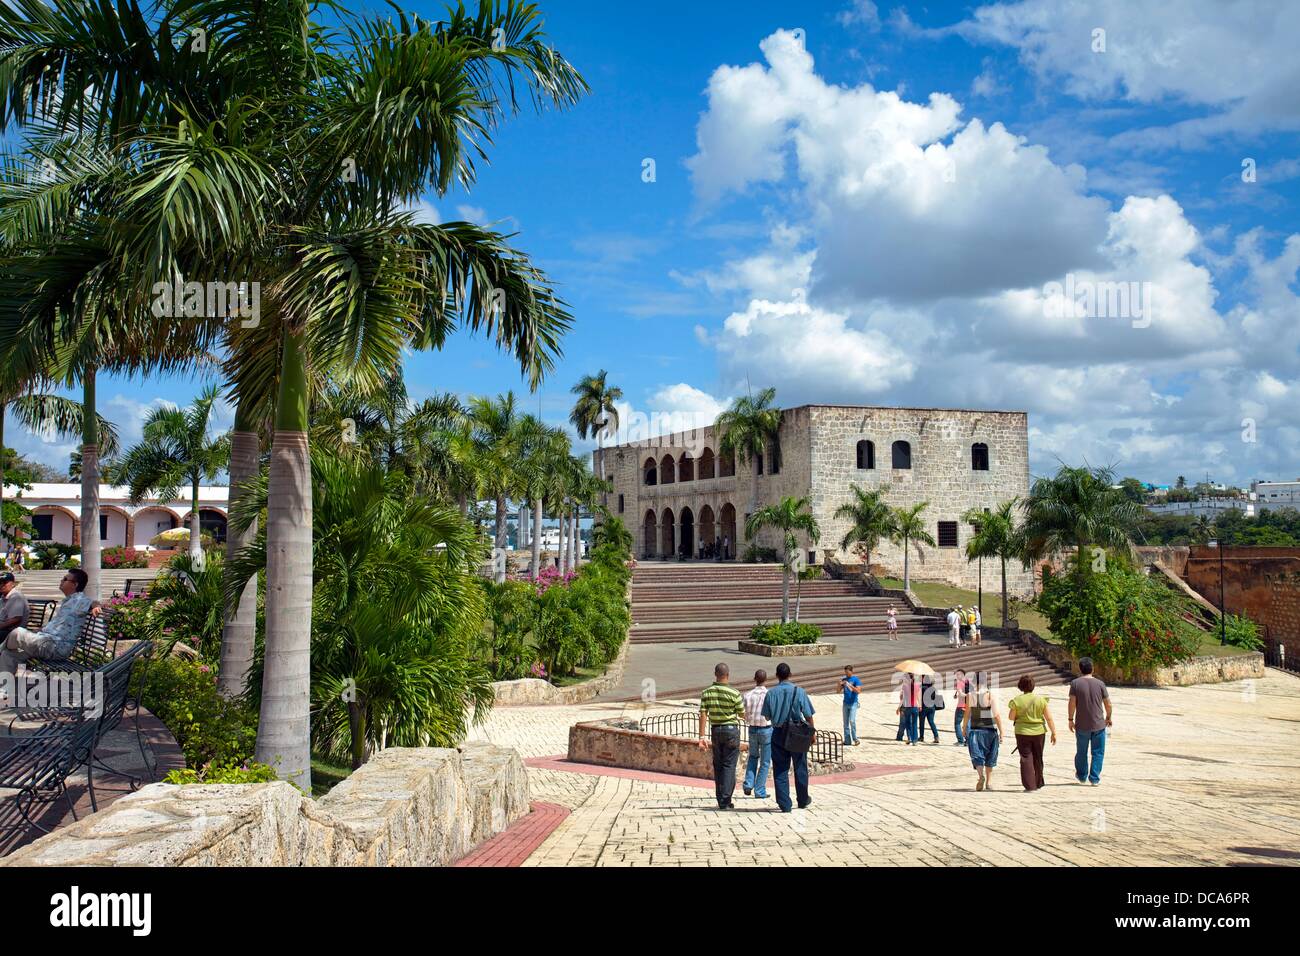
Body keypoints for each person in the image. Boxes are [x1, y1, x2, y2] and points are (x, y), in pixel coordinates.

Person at [0, 568, 103, 692]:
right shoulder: (68, 601)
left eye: (65, 579)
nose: (61, 580)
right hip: (45, 642)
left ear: (74, 585)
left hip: (56, 647)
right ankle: (3, 689)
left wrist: (96, 606)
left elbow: (93, 602)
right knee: (9, 654)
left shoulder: (79, 600)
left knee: (17, 633)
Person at [761, 662, 815, 813]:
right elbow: (809, 715)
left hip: (778, 732)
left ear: (777, 676)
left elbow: (766, 716)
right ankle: (803, 799)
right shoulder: (799, 691)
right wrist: (812, 733)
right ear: (790, 675)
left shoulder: (771, 693)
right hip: (797, 733)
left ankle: (785, 804)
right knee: (800, 766)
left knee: (780, 768)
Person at [698, 662, 745, 809]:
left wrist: (701, 737)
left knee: (718, 764)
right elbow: (742, 714)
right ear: (728, 675)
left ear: (715, 675)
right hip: (731, 730)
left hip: (716, 730)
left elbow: (703, 714)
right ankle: (725, 799)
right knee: (729, 765)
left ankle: (720, 798)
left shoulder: (706, 693)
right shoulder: (735, 693)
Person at [1008, 674, 1057, 791]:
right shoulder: (1041, 700)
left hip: (1022, 732)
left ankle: (1030, 785)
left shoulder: (1016, 700)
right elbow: (1049, 718)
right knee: (1038, 757)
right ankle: (1038, 781)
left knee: (1026, 758)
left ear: (1020, 686)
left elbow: (1011, 717)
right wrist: (1053, 732)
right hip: (1039, 732)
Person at [1068, 657, 1112, 786]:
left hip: (1081, 724)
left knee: (1081, 751)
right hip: (1098, 724)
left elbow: (1072, 703)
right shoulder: (1100, 684)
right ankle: (1094, 778)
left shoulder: (1075, 683)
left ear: (1080, 669)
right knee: (1098, 752)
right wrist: (1108, 717)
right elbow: (1108, 704)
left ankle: (1082, 776)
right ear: (1092, 668)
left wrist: (1070, 719)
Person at [962, 671, 1004, 791]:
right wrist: (1002, 732)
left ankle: (981, 776)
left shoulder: (971, 695)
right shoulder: (990, 695)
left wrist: (964, 728)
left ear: (974, 681)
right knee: (990, 756)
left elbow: (967, 714)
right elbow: (996, 715)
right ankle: (989, 782)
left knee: (977, 755)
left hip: (975, 730)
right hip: (990, 730)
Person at [742, 669, 772, 799]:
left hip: (753, 729)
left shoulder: (747, 695)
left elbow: (743, 713)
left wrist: (749, 719)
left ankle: (748, 783)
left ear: (755, 679)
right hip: (766, 729)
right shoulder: (769, 694)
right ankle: (759, 790)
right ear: (766, 680)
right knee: (765, 761)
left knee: (753, 756)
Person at [0, 573, 30, 642]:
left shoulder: (16, 596)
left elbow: (16, 619)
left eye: (4, 582)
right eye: (0, 582)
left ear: (13, 584)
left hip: (12, 633)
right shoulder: (3, 597)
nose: (1, 585)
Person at [839, 664, 862, 746]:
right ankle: (847, 740)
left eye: (847, 672)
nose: (846, 674)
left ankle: (855, 739)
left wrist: (850, 685)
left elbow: (858, 691)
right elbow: (838, 691)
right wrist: (839, 684)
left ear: (851, 671)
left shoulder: (856, 679)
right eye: (845, 672)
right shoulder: (844, 679)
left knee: (852, 721)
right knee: (845, 723)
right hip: (845, 703)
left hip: (853, 703)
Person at [895, 672, 920, 745]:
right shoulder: (917, 685)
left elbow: (902, 699)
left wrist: (899, 707)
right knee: (915, 724)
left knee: (908, 724)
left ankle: (909, 738)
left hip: (907, 707)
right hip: (915, 707)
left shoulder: (905, 686)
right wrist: (919, 706)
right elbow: (918, 697)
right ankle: (915, 740)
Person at [918, 673, 940, 743]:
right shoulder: (933, 688)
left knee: (922, 722)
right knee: (931, 721)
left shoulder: (921, 687)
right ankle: (936, 736)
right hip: (932, 707)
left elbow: (919, 698)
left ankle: (921, 737)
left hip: (924, 707)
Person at [952, 669, 971, 746]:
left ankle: (960, 741)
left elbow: (961, 693)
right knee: (967, 723)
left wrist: (965, 695)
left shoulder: (960, 683)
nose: (956, 676)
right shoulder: (968, 682)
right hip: (969, 706)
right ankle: (968, 741)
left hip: (961, 706)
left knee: (957, 723)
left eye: (957, 675)